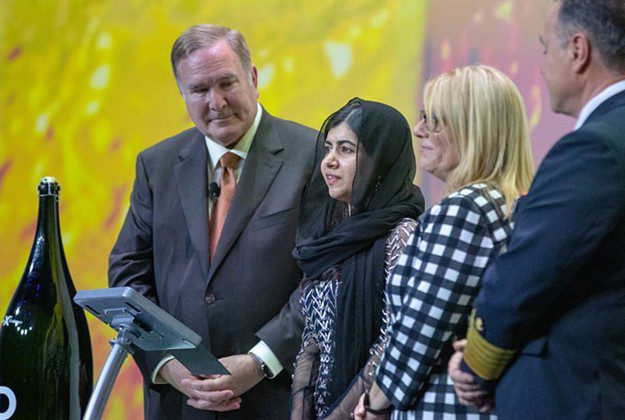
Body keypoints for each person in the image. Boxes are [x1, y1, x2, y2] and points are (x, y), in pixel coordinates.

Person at [450, 1, 625, 418]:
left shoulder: (594, 149)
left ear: (578, 50)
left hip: (576, 402)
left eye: (546, 48)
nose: (544, 63)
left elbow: (521, 279)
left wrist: (476, 367)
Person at [108, 24, 317, 419]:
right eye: (200, 90)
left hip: (277, 398)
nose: (217, 102)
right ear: (182, 95)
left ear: (253, 78)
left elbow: (324, 277)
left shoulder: (312, 156)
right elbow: (127, 274)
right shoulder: (156, 165)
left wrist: (259, 361)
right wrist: (167, 365)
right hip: (180, 404)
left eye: (227, 83)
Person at [354, 65, 535, 419]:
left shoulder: (465, 210)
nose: (419, 131)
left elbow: (419, 333)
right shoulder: (511, 204)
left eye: (434, 121)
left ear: (474, 130)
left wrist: (375, 403)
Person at [290, 98, 424, 419]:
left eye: (346, 150)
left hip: (371, 411)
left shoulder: (402, 234)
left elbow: (392, 341)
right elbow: (313, 336)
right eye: (328, 149)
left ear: (379, 162)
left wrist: (339, 415)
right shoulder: (329, 235)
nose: (330, 162)